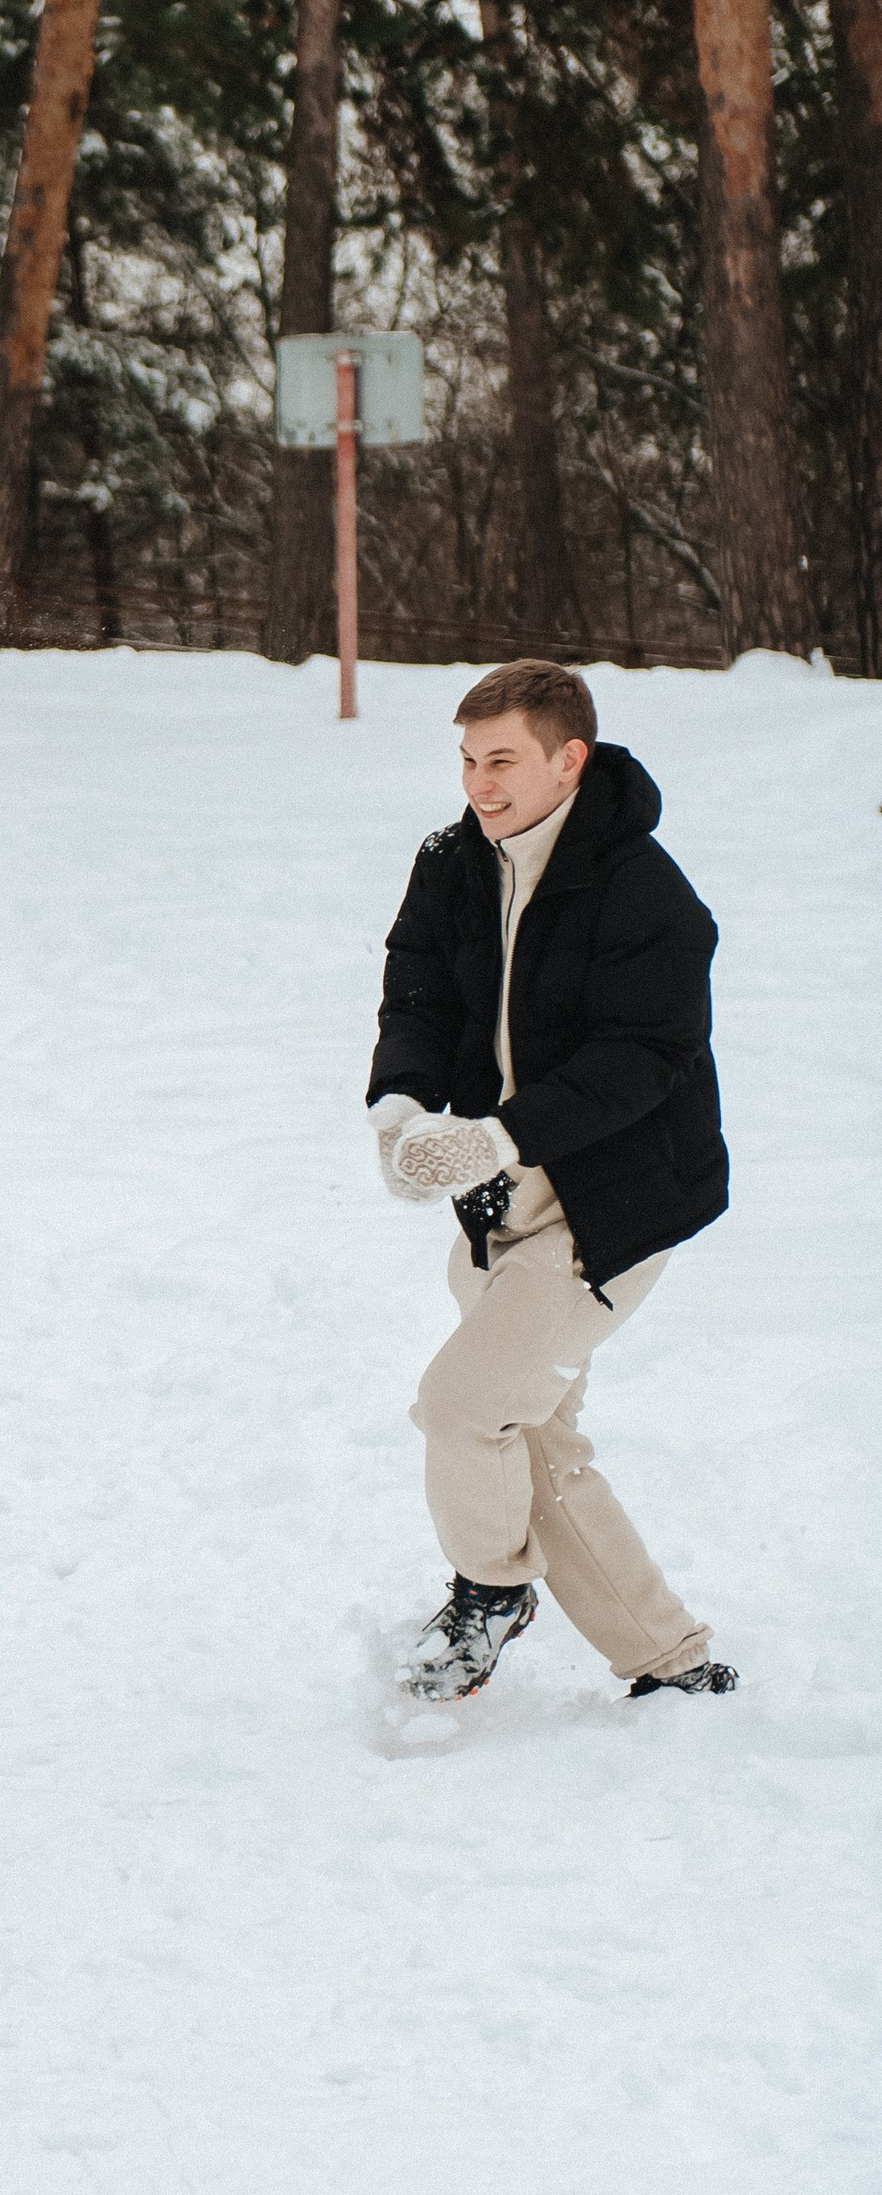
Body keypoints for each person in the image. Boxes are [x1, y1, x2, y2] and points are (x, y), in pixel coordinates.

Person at [366, 660, 738, 1706]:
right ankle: (669, 1658)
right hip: (502, 1208)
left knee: (465, 1405)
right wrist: (397, 1107)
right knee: (533, 1432)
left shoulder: (642, 890)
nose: (480, 785)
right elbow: (417, 993)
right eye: (468, 760)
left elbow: (644, 1055)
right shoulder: (452, 862)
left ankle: (490, 1590)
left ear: (568, 760)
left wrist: (499, 1136)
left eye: (503, 761)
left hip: (614, 1206)